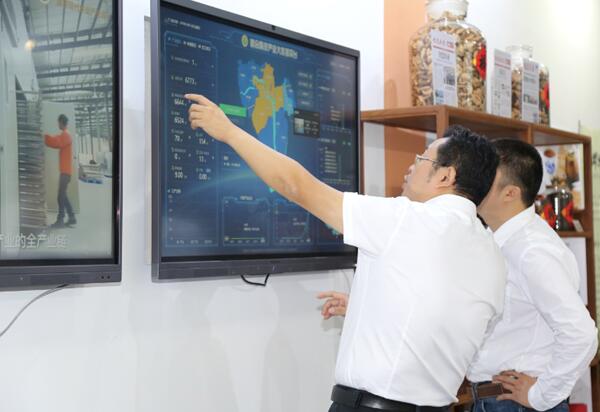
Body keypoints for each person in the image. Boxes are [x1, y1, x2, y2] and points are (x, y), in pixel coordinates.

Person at [185, 94, 506, 411]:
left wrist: (229, 132)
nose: (412, 166)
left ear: (446, 176)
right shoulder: (493, 254)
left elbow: (296, 185)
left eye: (422, 159)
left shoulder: (405, 220)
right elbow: (445, 318)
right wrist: (374, 309)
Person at [319, 139, 598, 412]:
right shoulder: (487, 240)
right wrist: (368, 305)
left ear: (510, 193)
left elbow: (580, 333)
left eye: (487, 176)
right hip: (489, 400)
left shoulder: (532, 251)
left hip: (515, 404)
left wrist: (540, 395)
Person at [44, 114, 76, 227]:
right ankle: (72, 217)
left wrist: (44, 137)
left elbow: (56, 142)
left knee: (60, 196)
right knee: (63, 195)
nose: (57, 124)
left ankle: (60, 220)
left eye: (58, 122)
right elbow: (57, 140)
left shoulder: (66, 135)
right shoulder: (65, 135)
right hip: (65, 171)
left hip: (65, 172)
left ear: (61, 122)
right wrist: (47, 137)